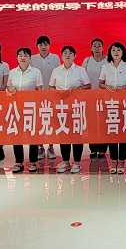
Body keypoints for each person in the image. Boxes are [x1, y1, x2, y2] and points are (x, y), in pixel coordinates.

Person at [49, 45, 91, 174]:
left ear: (74, 56)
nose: (68, 55)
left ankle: (77, 162)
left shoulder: (80, 70)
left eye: (70, 53)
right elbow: (51, 87)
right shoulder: (56, 71)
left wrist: (78, 89)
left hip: (76, 107)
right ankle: (66, 162)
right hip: (61, 107)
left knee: (77, 135)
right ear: (61, 56)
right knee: (63, 134)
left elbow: (88, 85)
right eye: (65, 53)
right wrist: (57, 93)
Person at [99, 42, 126, 174]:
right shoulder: (105, 67)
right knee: (112, 131)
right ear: (110, 52)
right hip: (110, 103)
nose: (116, 52)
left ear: (123, 52)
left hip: (123, 103)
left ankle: (121, 160)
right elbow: (100, 83)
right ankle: (113, 160)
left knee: (123, 132)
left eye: (119, 50)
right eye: (113, 50)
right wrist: (106, 87)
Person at [6, 47, 43, 173]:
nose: (23, 58)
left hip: (31, 108)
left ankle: (33, 161)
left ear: (30, 58)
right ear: (17, 58)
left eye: (26, 55)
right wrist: (10, 89)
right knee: (17, 134)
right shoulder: (13, 72)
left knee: (32, 134)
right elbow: (8, 89)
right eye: (20, 55)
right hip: (16, 108)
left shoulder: (36, 72)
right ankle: (18, 161)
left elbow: (39, 90)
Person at [32, 35, 61, 161]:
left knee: (51, 121)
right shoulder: (32, 59)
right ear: (37, 46)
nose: (43, 47)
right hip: (37, 95)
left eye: (45, 44)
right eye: (40, 45)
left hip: (52, 94)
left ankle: (51, 146)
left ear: (49, 46)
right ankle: (40, 146)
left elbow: (59, 73)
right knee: (39, 121)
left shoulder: (55, 58)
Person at [83, 38, 108, 159]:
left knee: (103, 122)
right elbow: (82, 75)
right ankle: (93, 148)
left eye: (99, 46)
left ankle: (103, 148)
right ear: (91, 48)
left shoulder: (108, 60)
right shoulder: (87, 61)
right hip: (90, 96)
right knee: (92, 123)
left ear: (103, 48)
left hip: (105, 96)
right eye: (94, 46)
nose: (97, 48)